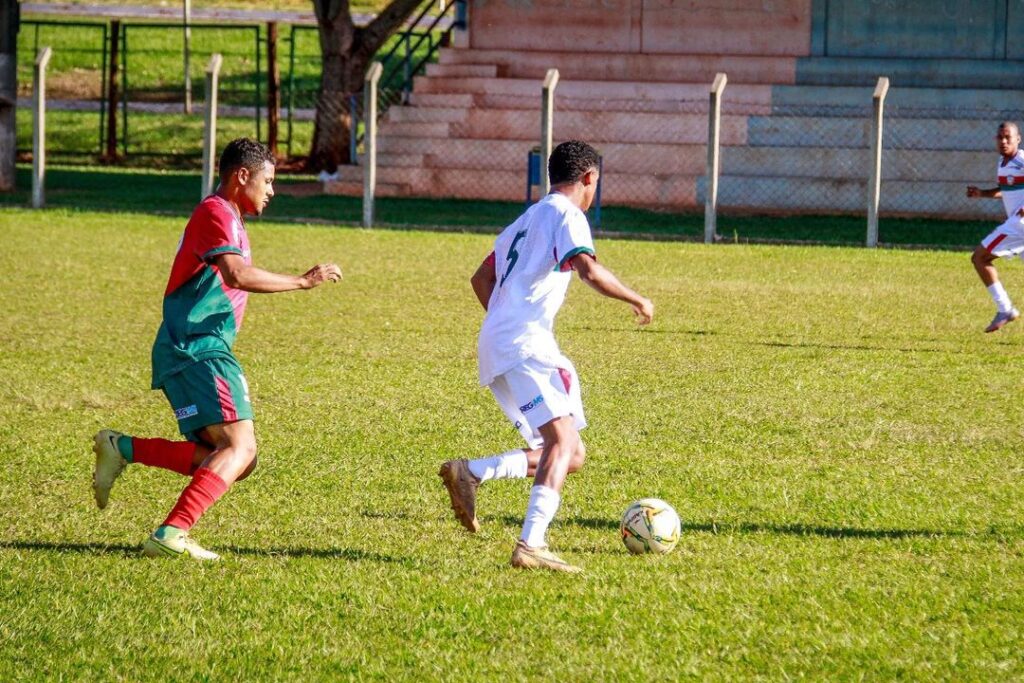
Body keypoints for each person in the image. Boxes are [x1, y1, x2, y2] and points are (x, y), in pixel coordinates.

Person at [91, 138, 342, 561]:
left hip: (194, 346)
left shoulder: (230, 219)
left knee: (231, 457)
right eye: (268, 180)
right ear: (242, 176)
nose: (272, 190)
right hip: (196, 346)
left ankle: (123, 448)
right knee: (239, 449)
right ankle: (171, 533)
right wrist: (302, 281)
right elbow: (237, 274)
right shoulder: (216, 212)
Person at [439, 140, 654, 573]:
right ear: (589, 178)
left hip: (505, 341)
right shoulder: (567, 214)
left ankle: (473, 471)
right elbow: (587, 268)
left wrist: (505, 319)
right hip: (524, 343)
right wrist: (637, 299)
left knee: (571, 453)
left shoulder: (527, 218)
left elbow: (482, 276)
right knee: (560, 441)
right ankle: (531, 545)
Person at [969, 121, 1024, 332]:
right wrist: (982, 193)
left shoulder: (1021, 160)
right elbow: (1007, 188)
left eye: (1008, 137)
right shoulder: (1003, 162)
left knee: (980, 257)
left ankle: (1005, 308)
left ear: (1017, 139)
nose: (1003, 141)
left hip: (1019, 225)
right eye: (1000, 137)